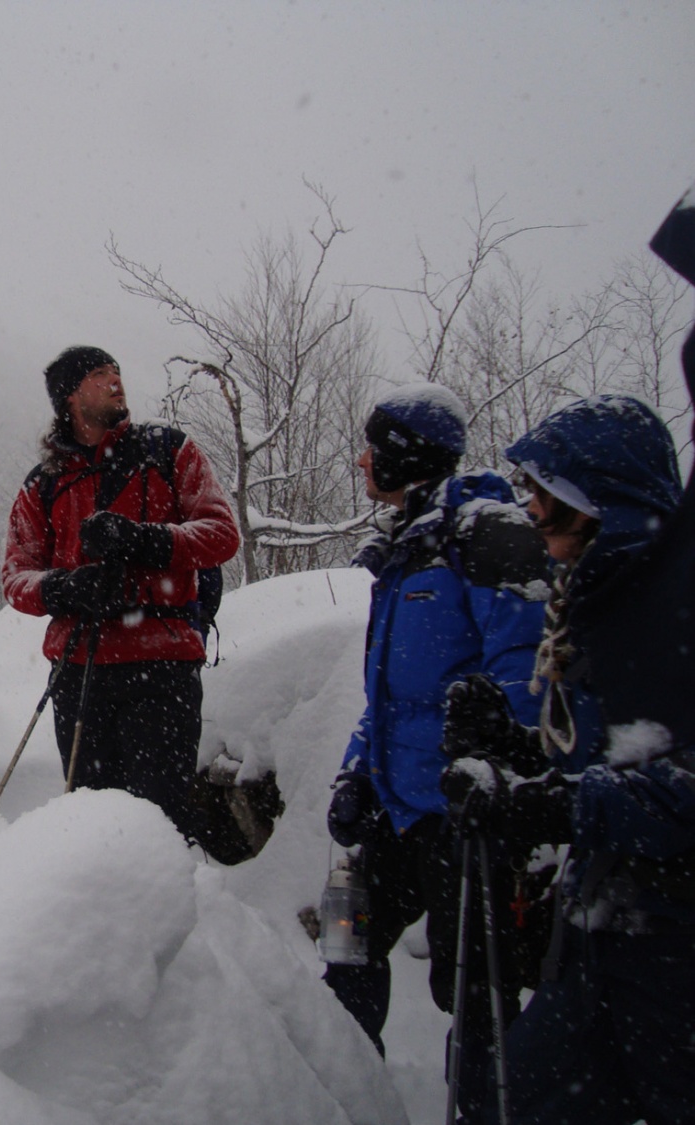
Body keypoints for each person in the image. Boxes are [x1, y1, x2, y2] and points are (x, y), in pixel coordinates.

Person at [437, 238, 695, 1123]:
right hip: (602, 927)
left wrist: (557, 808)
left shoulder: (674, 600)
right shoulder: (597, 603)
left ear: (605, 500)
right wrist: (513, 755)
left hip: (677, 945)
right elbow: (603, 756)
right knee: (537, 1097)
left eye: (549, 496)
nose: (533, 513)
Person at [322, 383, 549, 1116]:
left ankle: (484, 1108)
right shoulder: (404, 545)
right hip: (394, 798)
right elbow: (389, 693)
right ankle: (350, 1099)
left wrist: (489, 770)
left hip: (462, 808)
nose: (362, 460)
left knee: (476, 988)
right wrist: (356, 769)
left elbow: (526, 670)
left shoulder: (487, 532)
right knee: (347, 946)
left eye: (372, 446)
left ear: (404, 453)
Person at [1, 345, 240, 845]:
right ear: (69, 397)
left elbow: (222, 533)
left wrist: (144, 539)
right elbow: (16, 578)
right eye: (98, 374)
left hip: (162, 665)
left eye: (116, 370)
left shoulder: (168, 450)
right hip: (79, 668)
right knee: (90, 827)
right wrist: (65, 588)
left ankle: (169, 917)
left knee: (163, 824)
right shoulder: (44, 482)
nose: (115, 381)